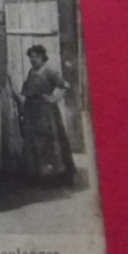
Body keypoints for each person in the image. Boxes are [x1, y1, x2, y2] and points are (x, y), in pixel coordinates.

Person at [17, 45, 75, 185]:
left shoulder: (49, 72)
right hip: (32, 111)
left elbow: (66, 86)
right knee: (33, 142)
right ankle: (38, 175)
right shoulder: (31, 71)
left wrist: (53, 99)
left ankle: (53, 177)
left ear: (43, 57)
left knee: (48, 142)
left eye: (37, 56)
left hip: (46, 112)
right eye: (31, 56)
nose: (33, 59)